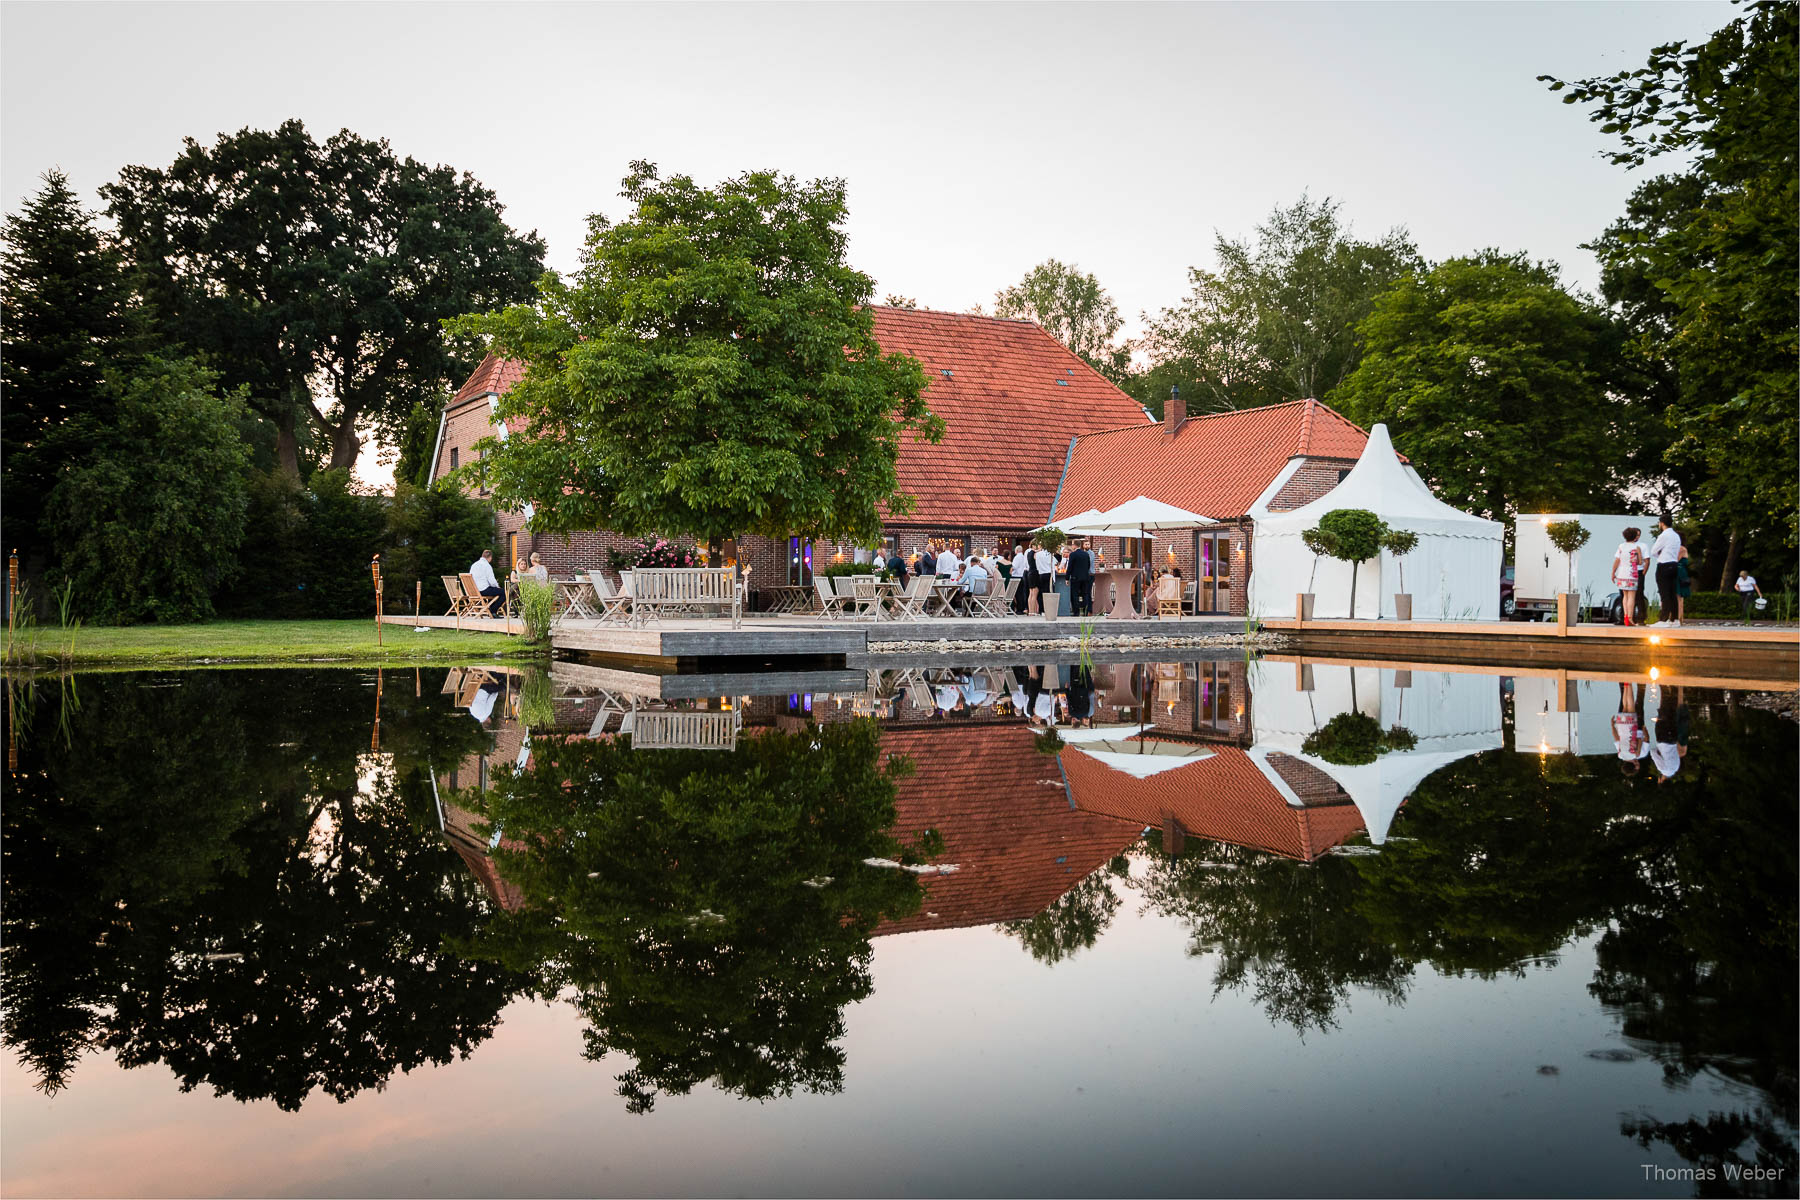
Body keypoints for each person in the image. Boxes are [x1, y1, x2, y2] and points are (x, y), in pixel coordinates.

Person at [1650, 686, 1689, 783]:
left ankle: (1674, 689)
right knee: (1663, 711)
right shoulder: (1663, 769)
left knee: (1672, 714)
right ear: (1661, 781)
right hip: (1662, 739)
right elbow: (1653, 752)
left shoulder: (1676, 767)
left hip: (1673, 739)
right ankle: (1663, 688)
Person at [1611, 528, 1647, 627]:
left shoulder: (1621, 546)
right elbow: (1640, 562)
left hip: (1621, 573)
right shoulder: (1636, 547)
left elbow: (1617, 560)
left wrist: (1613, 572)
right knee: (1631, 596)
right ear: (1635, 536)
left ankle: (1625, 617)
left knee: (1625, 596)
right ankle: (1630, 619)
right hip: (1632, 573)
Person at [1650, 516, 1682, 626]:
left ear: (1662, 523)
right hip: (1674, 564)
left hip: (1664, 565)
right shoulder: (1676, 536)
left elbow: (1654, 551)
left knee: (1664, 593)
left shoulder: (1664, 535)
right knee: (1673, 593)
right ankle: (1675, 619)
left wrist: (1660, 553)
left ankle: (1663, 619)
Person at [1613, 681, 1649, 776]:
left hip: (1631, 728)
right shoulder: (1620, 755)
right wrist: (1612, 725)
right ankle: (1626, 685)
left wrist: (1638, 742)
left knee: (1631, 705)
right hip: (1621, 727)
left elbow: (1639, 740)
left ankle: (1629, 684)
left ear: (1633, 765)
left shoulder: (1635, 755)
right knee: (1624, 706)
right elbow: (1616, 738)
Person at [470, 548, 503, 615]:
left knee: (493, 590)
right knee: (504, 592)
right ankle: (493, 611)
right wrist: (497, 586)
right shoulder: (487, 565)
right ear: (490, 557)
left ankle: (492, 611)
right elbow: (492, 581)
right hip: (483, 590)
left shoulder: (474, 565)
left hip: (474, 591)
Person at [1066, 539, 1095, 616]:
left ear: (1075, 545)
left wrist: (1067, 577)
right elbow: (1088, 565)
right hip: (1085, 577)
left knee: (1075, 595)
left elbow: (1070, 567)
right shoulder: (1086, 554)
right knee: (1085, 594)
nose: (1072, 546)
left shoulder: (1073, 554)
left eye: (1072, 544)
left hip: (1075, 577)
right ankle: (1085, 612)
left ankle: (1076, 612)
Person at [1031, 541, 1058, 615]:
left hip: (1041, 574)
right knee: (1049, 592)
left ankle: (1042, 610)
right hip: (1048, 573)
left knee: (1041, 593)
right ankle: (1048, 609)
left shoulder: (1037, 554)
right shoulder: (1049, 554)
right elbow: (1055, 563)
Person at [1011, 541, 1033, 613]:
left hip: (1016, 576)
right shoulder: (1023, 556)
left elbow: (1014, 567)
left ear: (1016, 550)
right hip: (1022, 575)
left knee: (1017, 594)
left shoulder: (1017, 557)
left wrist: (1010, 569)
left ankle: (1019, 608)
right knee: (1021, 593)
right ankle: (1022, 607)